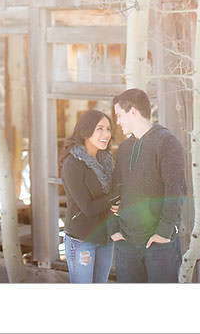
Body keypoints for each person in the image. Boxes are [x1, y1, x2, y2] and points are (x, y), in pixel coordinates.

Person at [109, 88, 187, 283]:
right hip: (126, 243)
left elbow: (175, 190)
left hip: (158, 244)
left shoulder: (167, 142)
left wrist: (163, 232)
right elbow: (115, 191)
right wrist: (114, 229)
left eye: (119, 115)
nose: (117, 122)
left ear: (133, 111)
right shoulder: (125, 148)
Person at [59, 109, 119, 283]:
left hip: (105, 237)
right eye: (99, 128)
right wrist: (115, 197)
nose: (106, 134)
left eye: (108, 129)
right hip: (82, 240)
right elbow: (88, 208)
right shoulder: (72, 164)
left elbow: (111, 198)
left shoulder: (106, 160)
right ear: (86, 130)